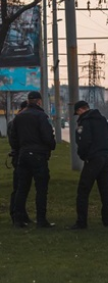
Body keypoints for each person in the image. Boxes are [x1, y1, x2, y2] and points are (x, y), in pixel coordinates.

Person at [9, 91, 56, 228]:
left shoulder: (18, 117)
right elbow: (47, 136)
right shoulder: (41, 116)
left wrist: (20, 149)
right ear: (39, 101)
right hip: (38, 156)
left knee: (22, 188)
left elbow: (14, 138)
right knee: (41, 188)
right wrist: (51, 146)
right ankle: (41, 220)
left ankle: (18, 219)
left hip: (23, 155)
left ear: (28, 101)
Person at [69, 100, 108, 230]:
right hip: (105, 157)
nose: (78, 116)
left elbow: (84, 142)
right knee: (105, 190)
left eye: (77, 113)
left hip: (93, 159)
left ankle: (81, 222)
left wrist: (83, 155)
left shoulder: (85, 122)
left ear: (81, 110)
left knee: (83, 190)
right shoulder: (102, 119)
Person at [8, 100, 31, 224]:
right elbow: (15, 142)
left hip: (20, 156)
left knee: (22, 187)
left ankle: (21, 213)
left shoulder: (15, 122)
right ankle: (16, 214)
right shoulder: (16, 122)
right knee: (19, 187)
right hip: (19, 157)